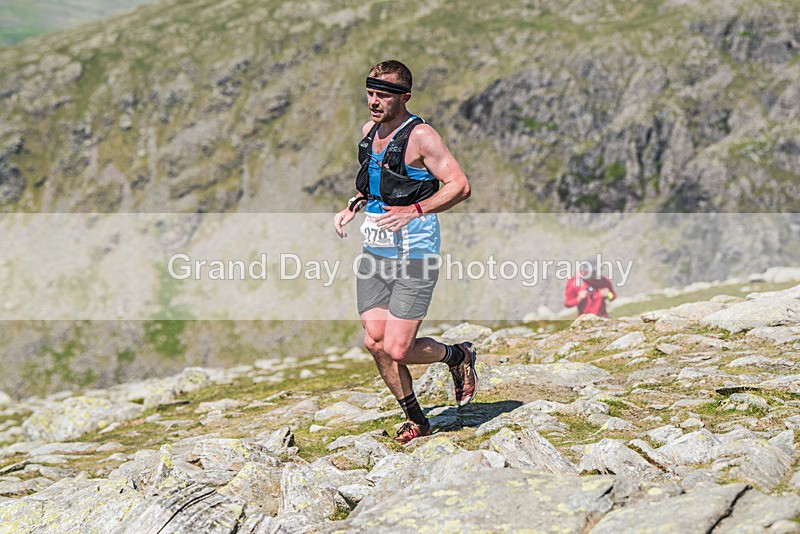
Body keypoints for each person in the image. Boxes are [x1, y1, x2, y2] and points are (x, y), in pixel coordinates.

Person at [333, 60, 477, 444]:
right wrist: (354, 204)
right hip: (376, 249)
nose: (374, 102)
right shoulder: (369, 131)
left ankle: (458, 356)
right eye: (370, 93)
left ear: (404, 97)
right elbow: (379, 180)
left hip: (415, 251)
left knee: (398, 347)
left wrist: (414, 210)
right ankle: (418, 420)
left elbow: (459, 186)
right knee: (374, 341)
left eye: (383, 95)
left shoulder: (422, 136)